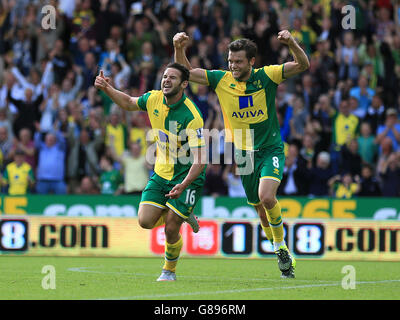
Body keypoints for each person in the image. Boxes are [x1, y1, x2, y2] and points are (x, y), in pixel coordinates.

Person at [173, 29, 310, 278]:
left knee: (267, 197)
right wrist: (180, 49)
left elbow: (303, 64)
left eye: (238, 61)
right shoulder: (221, 79)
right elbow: (187, 74)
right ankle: (281, 251)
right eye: (230, 61)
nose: (233, 66)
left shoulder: (267, 75)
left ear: (251, 61)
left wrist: (291, 42)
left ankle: (280, 248)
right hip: (244, 153)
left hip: (270, 148)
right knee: (259, 208)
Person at [94, 62, 207, 282]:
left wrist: (183, 185)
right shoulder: (154, 98)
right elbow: (127, 102)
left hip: (187, 177)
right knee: (145, 221)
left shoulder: (192, 116)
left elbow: (201, 159)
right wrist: (107, 88)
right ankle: (184, 214)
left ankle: (168, 270)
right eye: (165, 76)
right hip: (162, 172)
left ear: (184, 84)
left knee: (171, 227)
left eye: (172, 78)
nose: (166, 80)